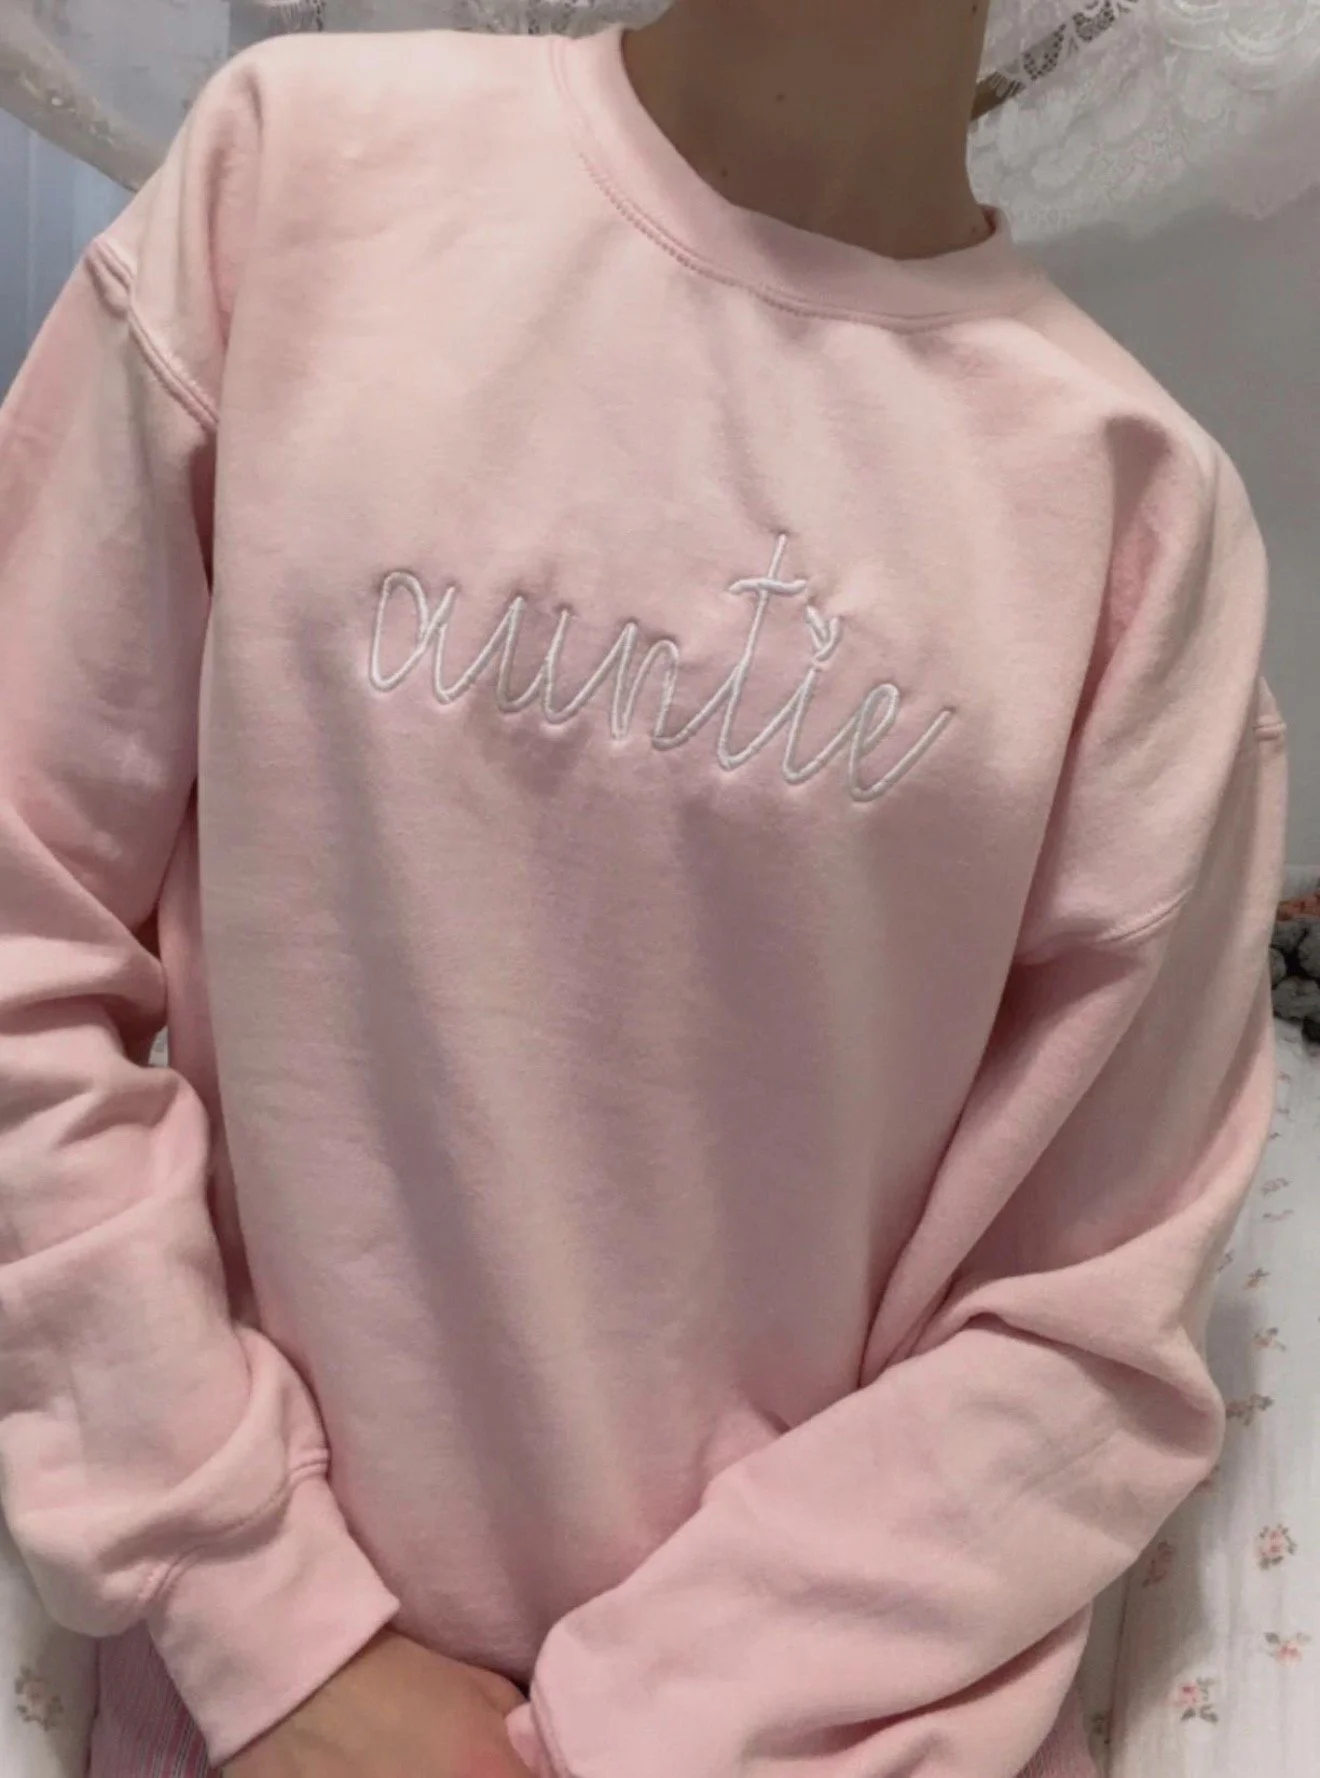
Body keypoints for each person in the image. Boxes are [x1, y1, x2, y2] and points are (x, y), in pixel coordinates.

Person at [0, 3, 1288, 1776]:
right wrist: (270, 1625)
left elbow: (1085, 1325)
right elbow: (27, 934)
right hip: (242, 1709)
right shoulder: (293, 185)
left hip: (821, 1730)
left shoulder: (1134, 512)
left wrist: (631, 1727)